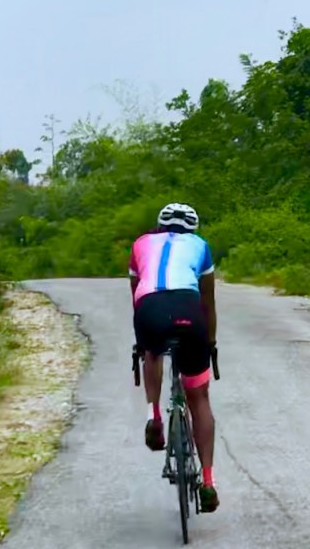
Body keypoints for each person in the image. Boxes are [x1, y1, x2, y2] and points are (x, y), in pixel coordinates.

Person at [128, 202, 220, 513]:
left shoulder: (140, 243)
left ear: (159, 225)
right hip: (189, 312)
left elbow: (135, 293)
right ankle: (208, 483)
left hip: (150, 310)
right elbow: (207, 301)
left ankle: (154, 417)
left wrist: (143, 340)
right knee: (199, 397)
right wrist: (210, 341)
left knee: (151, 352)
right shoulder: (201, 246)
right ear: (192, 228)